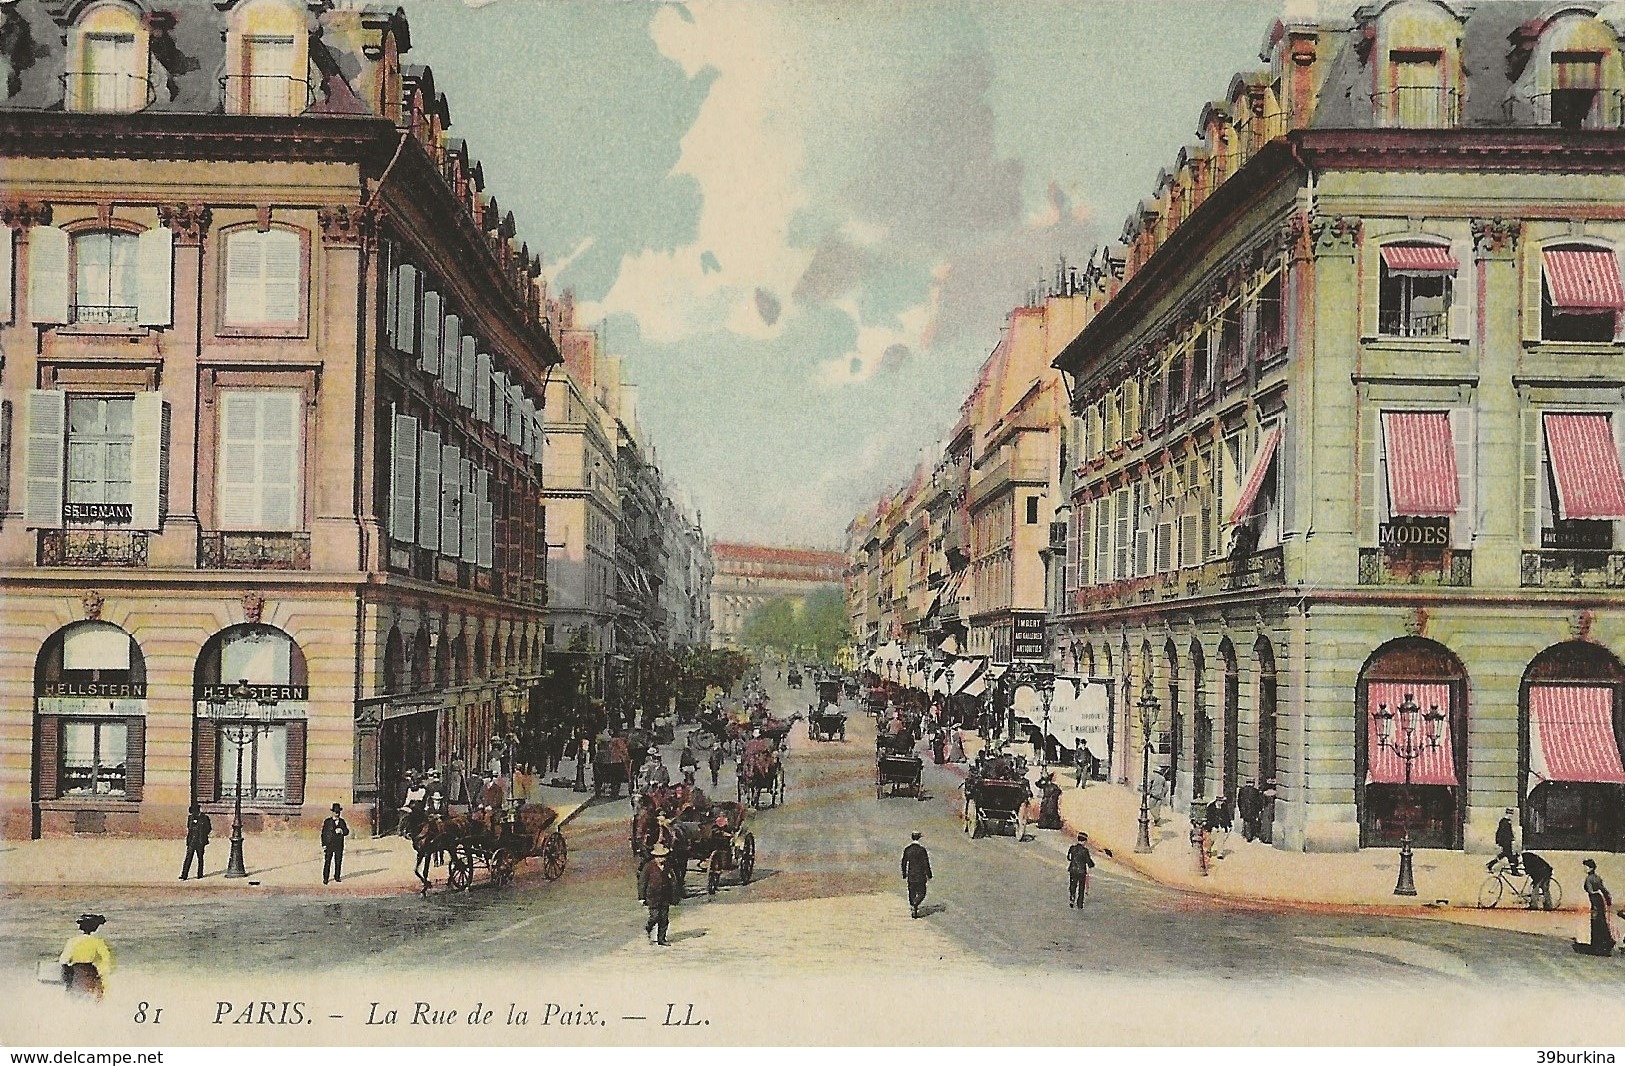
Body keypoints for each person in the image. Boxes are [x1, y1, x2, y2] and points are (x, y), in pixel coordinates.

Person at [59, 914, 113, 1001]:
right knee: (94, 998)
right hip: (90, 971)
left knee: (74, 998)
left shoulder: (72, 941)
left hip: (76, 972)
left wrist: (67, 975)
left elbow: (63, 960)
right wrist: (101, 973)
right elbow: (106, 958)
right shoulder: (97, 941)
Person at [1575, 859, 1615, 957]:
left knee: (1596, 922)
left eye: (1586, 867)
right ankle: (1606, 941)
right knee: (1601, 921)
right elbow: (1604, 890)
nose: (1584, 868)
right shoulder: (1597, 877)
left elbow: (1591, 891)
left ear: (1590, 868)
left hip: (1595, 901)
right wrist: (1608, 900)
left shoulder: (1589, 879)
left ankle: (1598, 945)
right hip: (1599, 900)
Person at [639, 844, 674, 946]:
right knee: (654, 916)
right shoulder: (648, 867)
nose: (660, 859)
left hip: (664, 896)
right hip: (652, 896)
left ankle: (661, 939)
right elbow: (642, 882)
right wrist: (642, 897)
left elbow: (672, 881)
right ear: (655, 857)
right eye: (658, 857)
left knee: (664, 919)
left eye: (662, 856)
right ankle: (648, 928)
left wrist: (674, 896)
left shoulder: (668, 866)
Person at [901, 830, 932, 918]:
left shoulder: (908, 849)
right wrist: (929, 874)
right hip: (920, 875)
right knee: (922, 892)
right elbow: (926, 863)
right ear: (919, 838)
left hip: (911, 875)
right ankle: (916, 903)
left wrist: (904, 873)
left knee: (911, 891)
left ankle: (912, 905)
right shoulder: (922, 850)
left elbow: (903, 862)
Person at [179, 803, 212, 880]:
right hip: (191, 841)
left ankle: (200, 874)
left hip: (200, 841)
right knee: (188, 858)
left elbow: (208, 828)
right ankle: (184, 875)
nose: (193, 813)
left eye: (194, 811)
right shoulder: (190, 818)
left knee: (200, 857)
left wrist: (203, 835)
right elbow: (189, 828)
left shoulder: (204, 818)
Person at [322, 802, 350, 884]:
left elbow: (347, 831)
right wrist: (324, 844)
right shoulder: (327, 822)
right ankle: (325, 878)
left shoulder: (342, 822)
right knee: (327, 861)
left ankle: (337, 876)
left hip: (339, 845)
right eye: (335, 812)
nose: (337, 814)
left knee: (338, 861)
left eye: (338, 812)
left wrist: (342, 831)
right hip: (329, 844)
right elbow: (323, 834)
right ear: (332, 812)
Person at [1067, 832, 1095, 908]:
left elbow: (1069, 858)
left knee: (1073, 885)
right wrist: (1091, 864)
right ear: (1084, 841)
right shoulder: (1085, 851)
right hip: (1081, 872)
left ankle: (1072, 897)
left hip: (1072, 870)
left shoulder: (1072, 848)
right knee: (1081, 888)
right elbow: (1088, 861)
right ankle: (1080, 903)